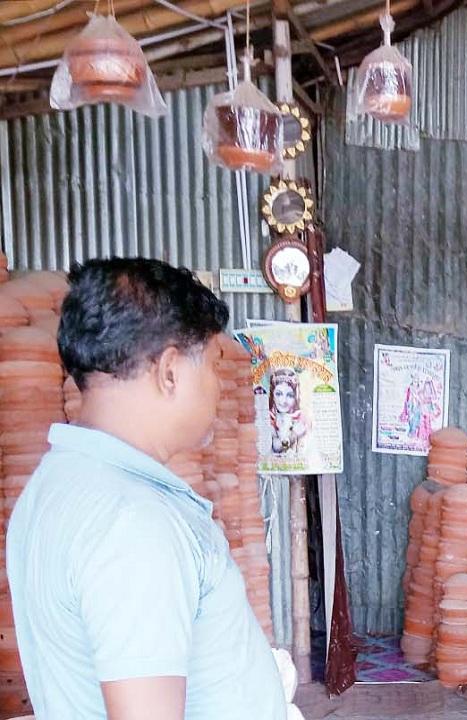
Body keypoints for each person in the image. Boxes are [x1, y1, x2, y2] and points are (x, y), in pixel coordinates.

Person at [6, 258, 287, 719]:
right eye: (212, 366)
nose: (218, 388)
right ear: (170, 371)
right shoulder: (133, 523)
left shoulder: (53, 487)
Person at [269, 367, 307, 454]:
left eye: (290, 395)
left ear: (296, 397)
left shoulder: (301, 417)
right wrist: (292, 436)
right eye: (278, 394)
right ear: (272, 395)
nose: (283, 401)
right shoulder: (269, 417)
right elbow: (275, 446)